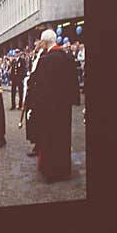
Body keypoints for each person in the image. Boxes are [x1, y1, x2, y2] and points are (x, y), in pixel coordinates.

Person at [32, 29, 78, 183]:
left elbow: (41, 87)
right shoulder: (67, 57)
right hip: (64, 108)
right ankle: (64, 170)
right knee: (63, 137)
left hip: (49, 107)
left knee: (50, 139)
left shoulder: (46, 60)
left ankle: (51, 171)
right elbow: (74, 82)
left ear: (45, 43)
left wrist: (36, 105)